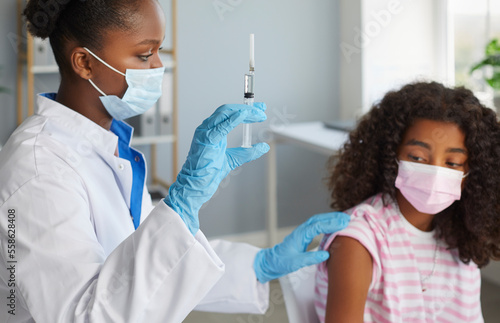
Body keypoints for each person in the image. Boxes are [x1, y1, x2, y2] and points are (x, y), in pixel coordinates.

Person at [0, 0, 350, 322]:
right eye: (144, 55)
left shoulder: (104, 147)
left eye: (159, 51)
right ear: (85, 62)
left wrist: (259, 265)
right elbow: (87, 315)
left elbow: (146, 261)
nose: (158, 67)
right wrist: (182, 204)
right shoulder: (37, 169)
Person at [314, 81, 500, 322]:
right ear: (391, 155)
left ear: (473, 171)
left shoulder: (461, 236)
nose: (435, 171)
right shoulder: (358, 239)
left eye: (452, 163)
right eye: (418, 157)